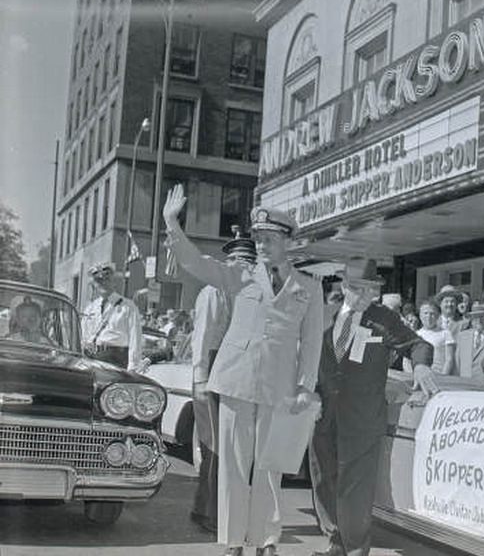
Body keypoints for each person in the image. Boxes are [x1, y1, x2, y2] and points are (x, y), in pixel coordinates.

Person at [163, 185, 324, 556]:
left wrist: (305, 386)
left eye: (269, 238)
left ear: (287, 242)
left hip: (279, 386)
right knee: (234, 465)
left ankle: (267, 541)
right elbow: (195, 263)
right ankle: (235, 541)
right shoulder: (241, 276)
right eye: (258, 238)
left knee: (270, 467)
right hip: (236, 380)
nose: (262, 245)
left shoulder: (309, 288)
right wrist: (173, 223)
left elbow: (312, 342)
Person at [310, 258, 437, 556]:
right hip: (322, 416)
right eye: (360, 290)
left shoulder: (384, 319)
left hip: (363, 419)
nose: (367, 297)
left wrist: (420, 367)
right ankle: (336, 542)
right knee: (324, 482)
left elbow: (419, 345)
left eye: (372, 290)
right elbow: (304, 359)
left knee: (355, 489)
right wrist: (309, 393)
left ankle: (355, 551)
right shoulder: (323, 316)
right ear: (345, 287)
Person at [190, 226, 257, 534]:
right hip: (211, 371)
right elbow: (203, 338)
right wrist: (201, 378)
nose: (246, 268)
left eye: (250, 263)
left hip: (234, 372)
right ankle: (211, 514)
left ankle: (212, 509)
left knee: (230, 446)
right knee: (215, 446)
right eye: (241, 261)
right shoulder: (213, 292)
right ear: (229, 261)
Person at [81, 262, 145, 372]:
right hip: (92, 358)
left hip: (116, 359)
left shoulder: (128, 306)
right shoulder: (91, 308)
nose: (103, 283)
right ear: (94, 285)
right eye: (99, 281)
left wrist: (133, 367)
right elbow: (83, 335)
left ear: (114, 282)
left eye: (107, 279)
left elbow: (135, 338)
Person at [454, 301, 484, 379]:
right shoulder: (462, 336)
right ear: (471, 319)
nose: (479, 320)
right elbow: (457, 362)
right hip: (465, 382)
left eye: (482, 317)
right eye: (476, 317)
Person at [416, 300, 456, 375]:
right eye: (425, 313)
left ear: (438, 316)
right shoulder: (416, 335)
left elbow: (449, 359)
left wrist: (443, 377)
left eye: (432, 314)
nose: (428, 316)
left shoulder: (446, 333)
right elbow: (407, 360)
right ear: (420, 316)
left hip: (438, 376)